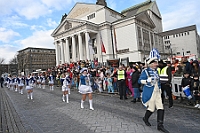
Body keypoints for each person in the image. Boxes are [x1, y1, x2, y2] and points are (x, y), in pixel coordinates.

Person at [138, 57, 169, 133]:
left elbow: (158, 81)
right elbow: (139, 81)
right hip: (150, 92)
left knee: (160, 107)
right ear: (151, 64)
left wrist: (160, 89)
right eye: (155, 63)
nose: (156, 64)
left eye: (156, 63)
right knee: (151, 109)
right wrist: (146, 80)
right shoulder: (146, 71)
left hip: (157, 92)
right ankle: (145, 118)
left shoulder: (156, 71)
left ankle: (160, 125)